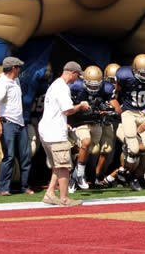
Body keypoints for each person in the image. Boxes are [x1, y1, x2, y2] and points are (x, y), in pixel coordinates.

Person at [39, 61, 92, 206]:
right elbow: (67, 110)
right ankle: (64, 198)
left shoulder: (55, 85)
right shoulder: (62, 88)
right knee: (63, 166)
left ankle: (50, 193)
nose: (77, 80)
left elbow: (55, 109)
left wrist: (64, 122)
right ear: (72, 73)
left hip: (47, 129)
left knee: (57, 165)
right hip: (55, 133)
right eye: (77, 76)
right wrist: (81, 106)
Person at [110, 53, 145, 191]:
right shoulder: (124, 75)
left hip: (144, 112)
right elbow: (116, 92)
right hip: (129, 112)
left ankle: (125, 171)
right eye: (143, 74)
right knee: (133, 148)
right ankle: (131, 177)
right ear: (134, 70)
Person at [68, 65, 116, 191]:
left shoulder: (107, 88)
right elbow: (67, 106)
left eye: (96, 86)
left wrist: (108, 111)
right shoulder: (75, 86)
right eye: (91, 85)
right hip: (80, 121)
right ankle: (80, 175)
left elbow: (110, 105)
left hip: (95, 122)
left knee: (91, 150)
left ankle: (74, 176)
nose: (94, 89)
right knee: (86, 141)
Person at [0, 56, 33, 196]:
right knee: (9, 156)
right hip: (8, 122)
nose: (20, 69)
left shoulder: (16, 80)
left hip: (20, 123)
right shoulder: (2, 83)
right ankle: (3, 188)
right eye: (18, 67)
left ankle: (24, 186)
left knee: (25, 156)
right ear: (14, 68)